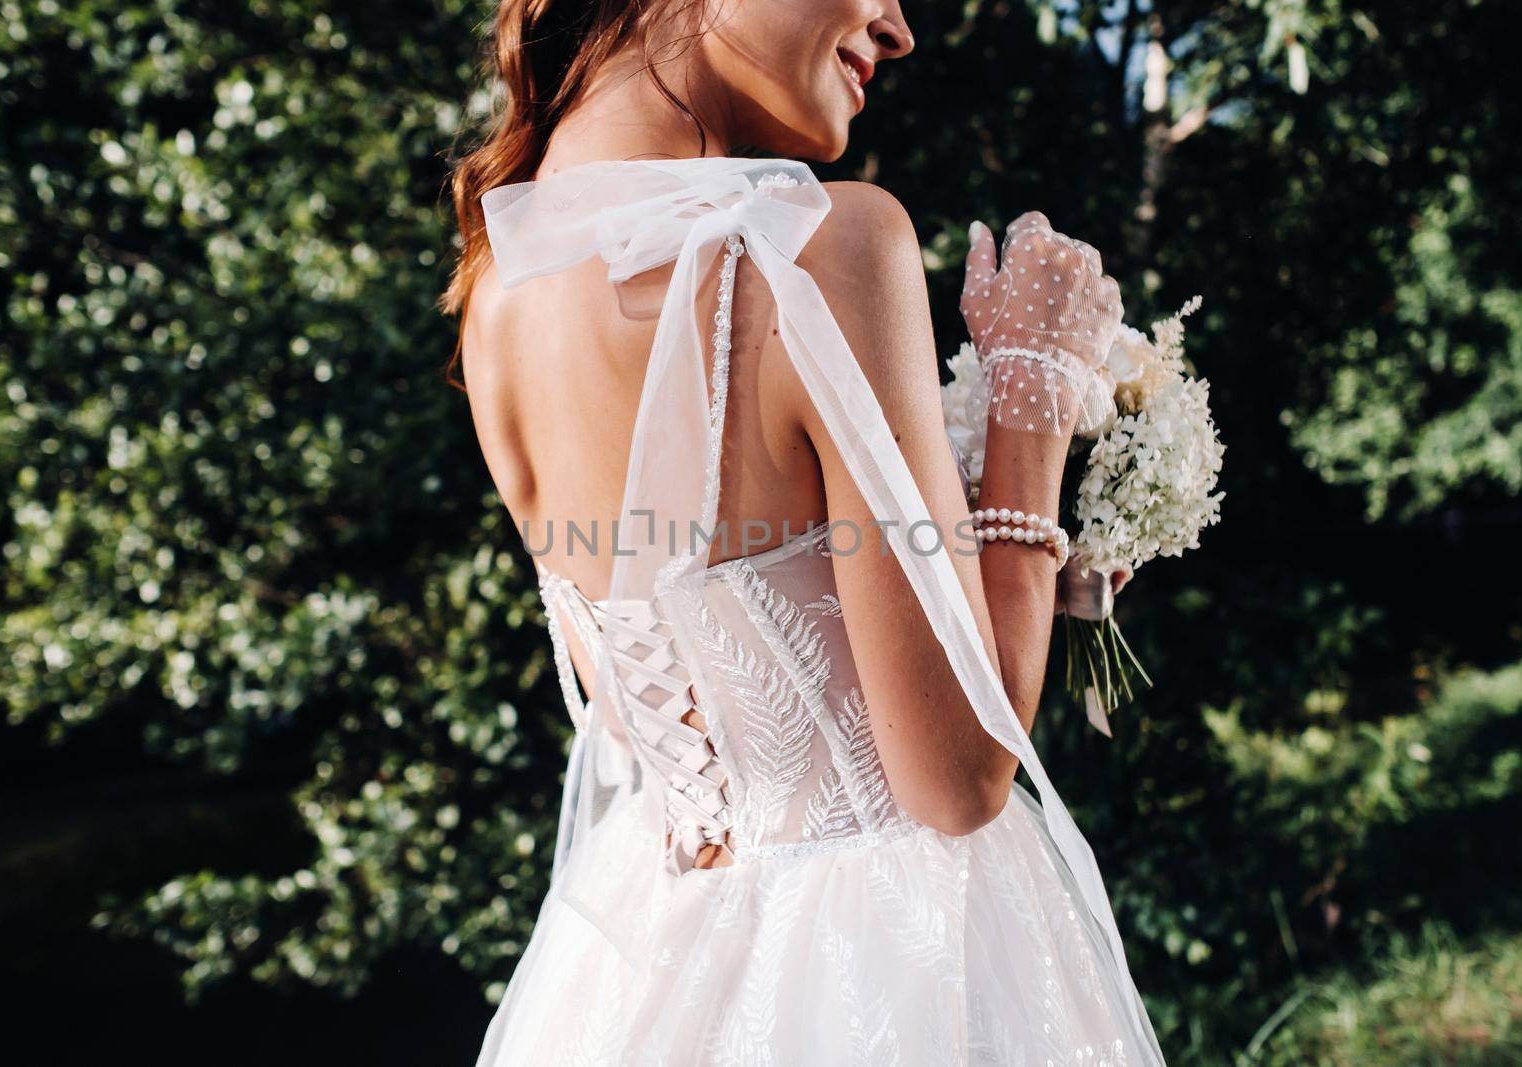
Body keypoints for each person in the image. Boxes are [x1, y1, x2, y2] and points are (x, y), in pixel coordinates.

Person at [445, 1, 1165, 1062]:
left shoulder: (498, 291)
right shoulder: (823, 247)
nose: (898, 27)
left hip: (644, 978)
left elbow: (656, 703)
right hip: (896, 963)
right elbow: (958, 776)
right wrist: (1035, 401)